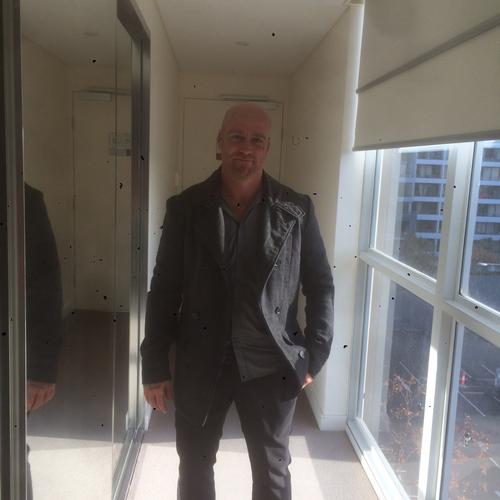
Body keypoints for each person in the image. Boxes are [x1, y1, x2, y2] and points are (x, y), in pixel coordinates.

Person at [140, 103, 334, 500]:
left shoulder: (296, 209)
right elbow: (164, 289)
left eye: (257, 140)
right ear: (220, 142)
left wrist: (315, 353)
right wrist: (154, 364)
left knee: (273, 471)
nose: (246, 148)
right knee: (194, 466)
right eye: (237, 137)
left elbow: (320, 284)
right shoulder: (185, 208)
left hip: (270, 362)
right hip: (201, 359)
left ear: (267, 149)